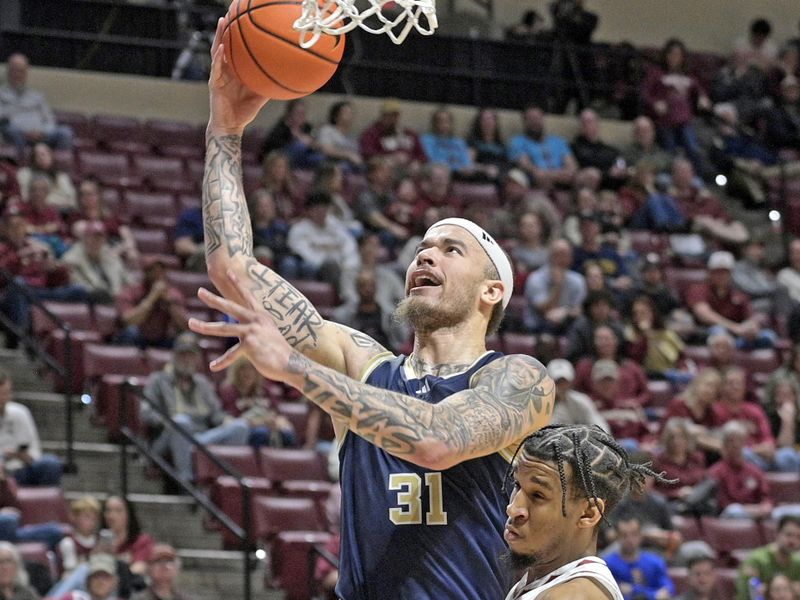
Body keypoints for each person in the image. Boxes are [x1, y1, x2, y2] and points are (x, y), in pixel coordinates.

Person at [191, 20, 556, 599]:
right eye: (421, 249)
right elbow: (232, 271)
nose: (425, 256)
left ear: (492, 292)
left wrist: (293, 367)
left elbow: (437, 442)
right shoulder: (363, 363)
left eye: (449, 249)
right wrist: (223, 132)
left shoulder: (517, 378)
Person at [502, 423, 671, 600]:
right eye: (517, 485)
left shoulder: (573, 596)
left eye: (538, 495)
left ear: (588, 514)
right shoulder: (550, 582)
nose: (513, 508)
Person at [141, 332, 250, 484]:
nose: (187, 359)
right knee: (181, 422)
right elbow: (145, 413)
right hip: (170, 435)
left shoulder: (203, 383)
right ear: (174, 356)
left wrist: (226, 419)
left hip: (202, 437)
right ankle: (187, 483)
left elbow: (216, 414)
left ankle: (223, 482)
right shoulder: (158, 380)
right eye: (183, 354)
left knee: (240, 427)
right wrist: (166, 421)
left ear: (197, 359)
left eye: (191, 355)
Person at [643, 39, 710, 175]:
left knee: (693, 149)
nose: (675, 58)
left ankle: (698, 178)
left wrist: (703, 99)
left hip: (685, 121)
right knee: (670, 152)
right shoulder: (657, 73)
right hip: (665, 121)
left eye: (678, 55)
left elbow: (700, 90)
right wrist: (655, 103)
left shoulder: (688, 76)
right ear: (666, 55)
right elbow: (645, 93)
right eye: (672, 54)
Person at [687, 251, 775, 349]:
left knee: (769, 336)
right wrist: (734, 328)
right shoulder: (698, 290)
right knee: (719, 332)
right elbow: (704, 315)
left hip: (738, 334)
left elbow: (750, 318)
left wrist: (752, 328)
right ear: (710, 273)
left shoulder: (738, 295)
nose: (721, 276)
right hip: (709, 332)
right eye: (717, 272)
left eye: (725, 272)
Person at [286, 190, 360, 293]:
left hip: (342, 269)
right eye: (317, 209)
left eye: (325, 209)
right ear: (308, 211)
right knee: (325, 265)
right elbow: (306, 255)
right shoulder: (299, 230)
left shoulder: (335, 225)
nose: (322, 213)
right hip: (317, 270)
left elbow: (349, 245)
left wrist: (347, 265)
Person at [0, 53, 73, 157]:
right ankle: (21, 168)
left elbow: (49, 120)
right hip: (16, 135)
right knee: (11, 130)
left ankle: (56, 171)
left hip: (41, 136)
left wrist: (42, 132)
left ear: (26, 73)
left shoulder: (37, 96)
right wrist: (24, 131)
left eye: (21, 71)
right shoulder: (1, 94)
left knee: (66, 132)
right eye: (15, 70)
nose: (18, 75)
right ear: (8, 72)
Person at [0, 369, 62, 486]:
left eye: (6, 393)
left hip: (19, 471)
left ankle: (45, 503)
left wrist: (20, 456)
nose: (4, 398)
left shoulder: (20, 412)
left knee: (51, 463)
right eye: (1, 394)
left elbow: (35, 455)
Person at [218, 357, 295, 448]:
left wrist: (280, 422)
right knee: (261, 433)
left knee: (287, 434)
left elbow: (275, 412)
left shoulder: (265, 389)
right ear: (236, 371)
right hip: (244, 428)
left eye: (252, 369)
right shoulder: (229, 390)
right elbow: (232, 419)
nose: (248, 373)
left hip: (268, 425)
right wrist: (260, 422)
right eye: (243, 369)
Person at [114, 256, 187, 349]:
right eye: (153, 270)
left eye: (161, 270)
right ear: (145, 273)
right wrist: (152, 297)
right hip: (138, 338)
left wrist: (169, 304)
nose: (158, 274)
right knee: (131, 332)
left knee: (186, 339)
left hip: (163, 339)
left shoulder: (173, 294)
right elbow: (128, 321)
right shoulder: (130, 291)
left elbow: (185, 325)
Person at [708, 421, 773, 520]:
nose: (736, 445)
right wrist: (749, 510)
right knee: (735, 511)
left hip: (757, 513)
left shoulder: (754, 470)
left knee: (785, 513)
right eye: (732, 441)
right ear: (724, 445)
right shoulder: (715, 472)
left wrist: (766, 506)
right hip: (728, 516)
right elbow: (722, 505)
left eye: (740, 440)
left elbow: (765, 496)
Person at [522, 238, 586, 334]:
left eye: (565, 254)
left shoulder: (578, 280)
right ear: (550, 256)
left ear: (571, 257)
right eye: (557, 254)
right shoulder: (536, 278)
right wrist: (557, 286)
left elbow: (580, 309)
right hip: (538, 327)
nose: (561, 259)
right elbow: (544, 310)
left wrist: (565, 312)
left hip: (568, 325)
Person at [507, 104, 578, 190]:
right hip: (537, 180)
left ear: (543, 120)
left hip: (562, 178)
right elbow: (526, 165)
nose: (535, 122)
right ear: (524, 122)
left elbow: (571, 165)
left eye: (537, 118)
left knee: (590, 175)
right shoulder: (517, 141)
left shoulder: (558, 141)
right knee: (541, 178)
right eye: (531, 119)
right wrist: (555, 175)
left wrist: (562, 174)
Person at [605, 514, 675, 599]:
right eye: (624, 535)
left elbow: (668, 590)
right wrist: (654, 595)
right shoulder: (608, 565)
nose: (629, 540)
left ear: (640, 536)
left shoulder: (655, 562)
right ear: (617, 537)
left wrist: (635, 590)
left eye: (634, 534)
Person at [62, 221, 130, 305]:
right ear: (85, 238)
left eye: (100, 237)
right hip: (93, 302)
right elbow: (81, 287)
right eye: (93, 237)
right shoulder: (72, 259)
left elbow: (127, 280)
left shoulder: (109, 255)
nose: (97, 241)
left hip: (118, 301)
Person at [735, 515, 800, 600]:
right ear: (777, 534)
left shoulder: (798, 563)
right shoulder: (756, 560)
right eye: (789, 535)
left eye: (798, 537)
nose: (793, 541)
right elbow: (744, 596)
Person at [50, 496, 102, 597]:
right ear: (74, 517)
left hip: (97, 588)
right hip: (73, 588)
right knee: (84, 569)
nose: (90, 522)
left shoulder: (100, 542)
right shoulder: (68, 543)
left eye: (93, 518)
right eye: (86, 517)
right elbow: (72, 575)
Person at [359, 99, 427, 172]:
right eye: (389, 115)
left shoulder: (409, 133)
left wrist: (416, 162)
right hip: (387, 167)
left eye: (395, 115)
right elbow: (367, 154)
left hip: (411, 168)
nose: (392, 119)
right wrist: (390, 157)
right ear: (382, 116)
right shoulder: (372, 133)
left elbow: (423, 156)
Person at [546, 359, 609, 431]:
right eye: (558, 382)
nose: (562, 385)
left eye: (565, 381)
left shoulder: (582, 400)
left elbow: (598, 423)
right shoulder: (542, 406)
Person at [260, 99, 322, 169]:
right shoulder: (281, 127)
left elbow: (313, 146)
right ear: (289, 113)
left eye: (303, 113)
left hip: (301, 158)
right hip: (282, 157)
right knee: (299, 146)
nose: (301, 116)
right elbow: (274, 148)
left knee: (318, 157)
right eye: (298, 113)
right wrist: (297, 138)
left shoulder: (307, 127)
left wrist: (312, 145)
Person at [16, 142, 76, 212]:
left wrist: (48, 202)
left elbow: (72, 200)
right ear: (32, 158)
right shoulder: (24, 174)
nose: (41, 158)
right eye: (37, 155)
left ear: (51, 156)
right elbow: (25, 197)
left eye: (44, 154)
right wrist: (54, 202)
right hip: (32, 211)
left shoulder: (62, 177)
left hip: (61, 213)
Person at [420, 107, 474, 179]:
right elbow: (430, 161)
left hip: (459, 176)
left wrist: (464, 168)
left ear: (451, 123)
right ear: (434, 123)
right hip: (436, 174)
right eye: (440, 121)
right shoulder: (427, 140)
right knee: (439, 172)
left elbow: (466, 162)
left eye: (447, 121)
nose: (444, 124)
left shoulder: (459, 142)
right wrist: (456, 168)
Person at [314, 100, 364, 172]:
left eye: (351, 113)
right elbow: (326, 150)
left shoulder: (351, 137)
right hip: (332, 167)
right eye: (346, 113)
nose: (350, 116)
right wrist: (348, 155)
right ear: (335, 116)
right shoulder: (327, 130)